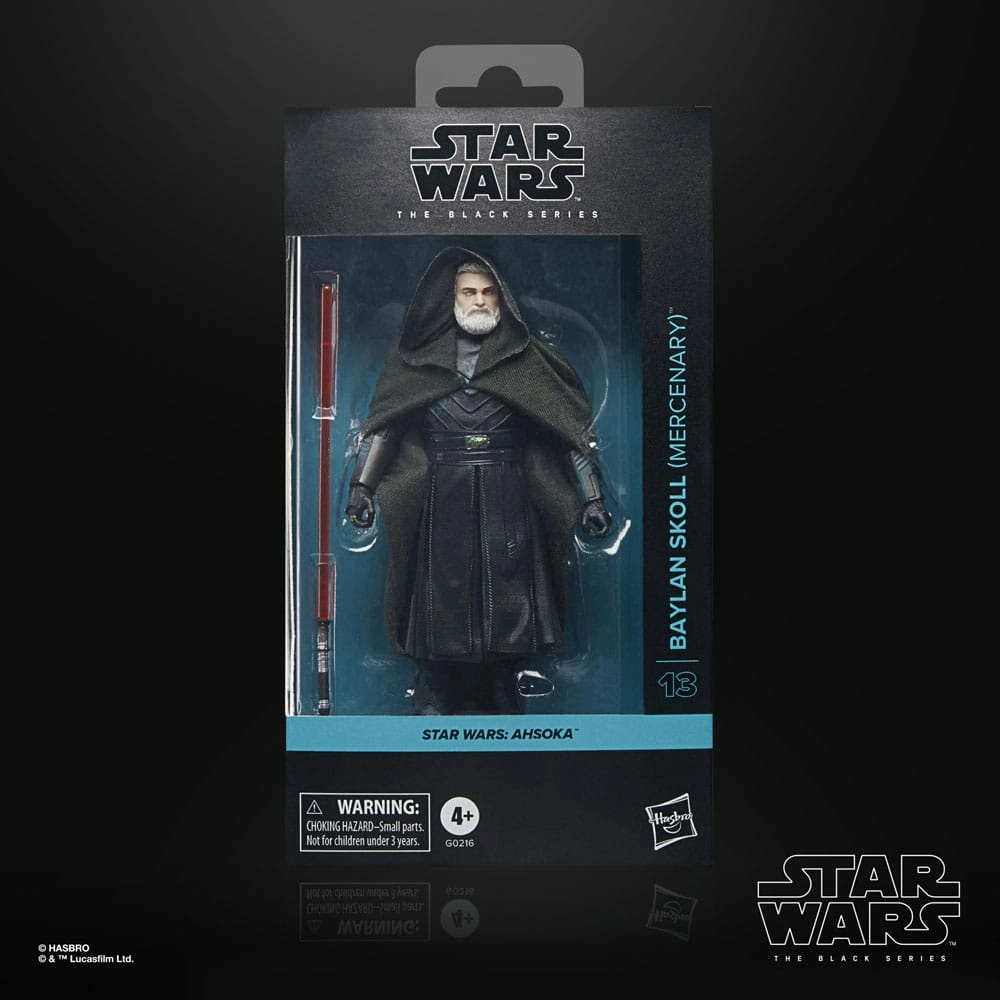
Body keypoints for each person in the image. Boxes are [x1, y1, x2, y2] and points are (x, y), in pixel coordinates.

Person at [346, 246, 610, 714]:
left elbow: (568, 433)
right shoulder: (418, 362)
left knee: (509, 602)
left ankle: (502, 689)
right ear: (450, 298)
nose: (479, 301)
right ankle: (435, 689)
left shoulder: (529, 363)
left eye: (488, 292)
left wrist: (592, 499)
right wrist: (361, 488)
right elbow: (386, 426)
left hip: (507, 498)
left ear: (502, 297)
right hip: (443, 497)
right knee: (440, 602)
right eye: (469, 292)